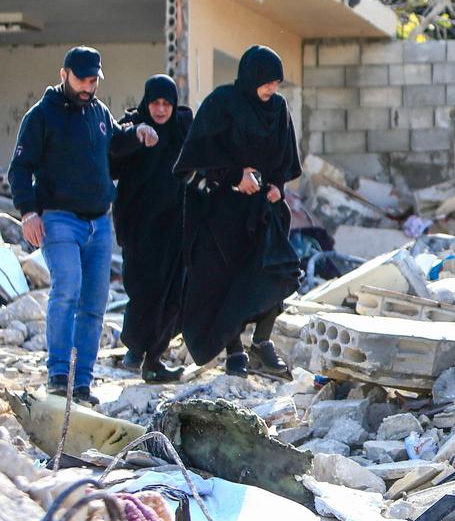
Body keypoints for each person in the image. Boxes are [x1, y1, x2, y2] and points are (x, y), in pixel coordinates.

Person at [8, 46, 158, 405]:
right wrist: (28, 213)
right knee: (68, 289)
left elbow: (116, 141)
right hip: (59, 219)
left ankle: (82, 384)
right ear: (64, 75)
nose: (89, 86)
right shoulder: (41, 116)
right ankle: (59, 375)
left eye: (94, 80)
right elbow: (19, 169)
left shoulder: (98, 113)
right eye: (83, 79)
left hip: (99, 224)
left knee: (94, 303)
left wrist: (137, 132)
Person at [173, 45, 301, 377]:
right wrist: (234, 177)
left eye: (276, 83)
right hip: (222, 214)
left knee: (278, 271)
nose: (272, 89)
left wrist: (276, 186)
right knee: (226, 281)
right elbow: (195, 161)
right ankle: (235, 351)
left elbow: (284, 160)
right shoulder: (221, 104)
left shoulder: (278, 109)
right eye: (267, 82)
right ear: (251, 78)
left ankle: (262, 341)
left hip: (263, 211)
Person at [109, 75, 192, 383]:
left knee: (173, 294)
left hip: (175, 225)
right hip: (139, 224)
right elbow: (111, 160)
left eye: (166, 104)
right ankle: (134, 348)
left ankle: (154, 360)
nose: (160, 110)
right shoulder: (131, 126)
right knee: (142, 288)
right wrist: (134, 139)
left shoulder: (183, 127)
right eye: (155, 103)